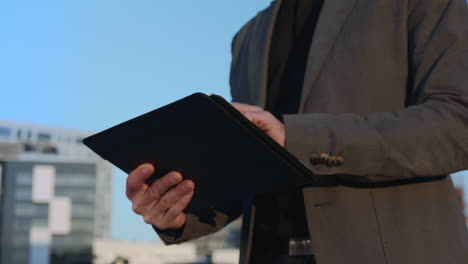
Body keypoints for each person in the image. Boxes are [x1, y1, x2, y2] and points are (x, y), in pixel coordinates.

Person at [125, 0, 468, 263]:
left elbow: (458, 124)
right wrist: (176, 209)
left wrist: (297, 139)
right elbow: (250, 172)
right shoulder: (247, 38)